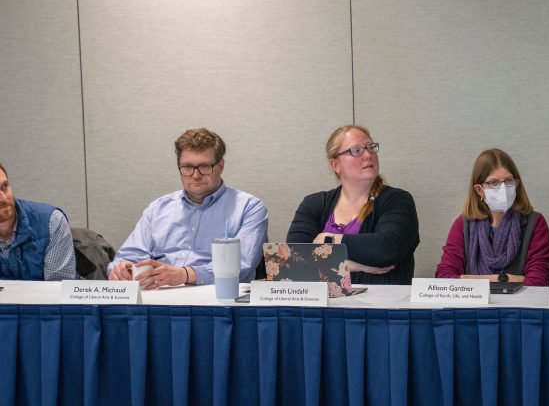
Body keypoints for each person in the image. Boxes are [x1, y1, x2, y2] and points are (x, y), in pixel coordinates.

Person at [108, 128, 269, 289]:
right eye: (187, 167)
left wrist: (184, 274)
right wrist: (121, 268)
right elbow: (128, 256)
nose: (196, 175)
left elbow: (241, 265)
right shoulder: (158, 208)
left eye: (205, 167)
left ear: (220, 166)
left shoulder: (249, 208)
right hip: (157, 297)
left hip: (217, 299)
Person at [286, 124, 419, 285]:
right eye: (356, 150)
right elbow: (292, 263)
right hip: (320, 307)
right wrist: (355, 266)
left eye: (371, 147)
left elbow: (386, 249)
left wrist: (329, 239)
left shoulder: (398, 200)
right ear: (335, 165)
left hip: (379, 306)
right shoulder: (313, 204)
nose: (368, 155)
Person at [435, 148, 549, 286]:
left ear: (516, 183)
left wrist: (469, 280)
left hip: (519, 304)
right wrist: (507, 279)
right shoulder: (463, 224)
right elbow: (444, 278)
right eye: (494, 183)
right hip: (473, 304)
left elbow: (539, 280)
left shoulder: (535, 223)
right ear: (479, 190)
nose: (503, 189)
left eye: (508, 180)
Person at [0, 162, 77, 281]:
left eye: (4, 187)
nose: (3, 198)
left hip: (46, 299)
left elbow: (57, 290)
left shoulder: (52, 222)